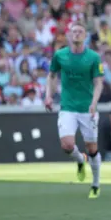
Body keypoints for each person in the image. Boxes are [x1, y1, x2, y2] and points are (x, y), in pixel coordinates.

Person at [45, 21, 105, 199]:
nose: (77, 34)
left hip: (87, 109)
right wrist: (48, 95)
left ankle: (95, 184)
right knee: (67, 145)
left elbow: (98, 82)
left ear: (85, 36)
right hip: (68, 107)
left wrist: (94, 102)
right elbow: (52, 75)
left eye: (80, 31)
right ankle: (80, 160)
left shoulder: (93, 57)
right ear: (69, 36)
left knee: (92, 147)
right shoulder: (60, 55)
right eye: (74, 32)